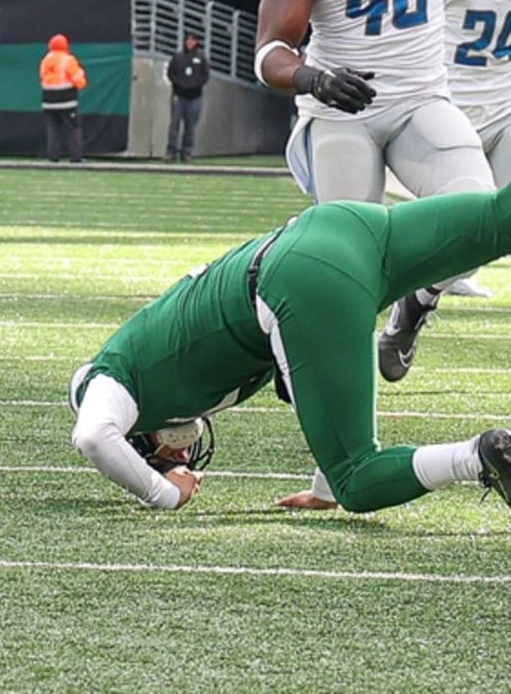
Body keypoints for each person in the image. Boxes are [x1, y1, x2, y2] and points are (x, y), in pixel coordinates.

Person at [251, 0, 511, 383]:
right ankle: (293, 344)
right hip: (343, 113)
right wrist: (312, 77)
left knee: (478, 221)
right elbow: (270, 51)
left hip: (423, 98)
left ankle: (411, 308)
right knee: (344, 269)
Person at [68, 184, 511, 514]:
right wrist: (321, 490)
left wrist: (163, 494)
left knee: (355, 483)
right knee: (498, 218)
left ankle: (479, 456)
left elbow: (92, 435)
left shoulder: (115, 378)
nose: (184, 454)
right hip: (342, 228)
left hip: (301, 281)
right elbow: (319, 390)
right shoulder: (165, 356)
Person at [437, 0, 511, 298]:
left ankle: (446, 275)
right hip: (448, 99)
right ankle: (432, 281)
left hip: (503, 101)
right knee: (457, 208)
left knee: (501, 212)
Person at [39, 33, 86, 163]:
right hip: (67, 101)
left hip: (48, 101)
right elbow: (80, 82)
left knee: (53, 129)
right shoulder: (68, 60)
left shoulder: (45, 60)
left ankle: (53, 158)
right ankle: (75, 158)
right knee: (73, 128)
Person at [166, 31, 209, 161]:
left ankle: (187, 152)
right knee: (174, 124)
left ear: (197, 42)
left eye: (193, 40)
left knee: (190, 127)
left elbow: (205, 75)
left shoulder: (201, 58)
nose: (190, 43)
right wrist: (179, 85)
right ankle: (171, 151)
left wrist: (195, 86)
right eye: (188, 40)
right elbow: (171, 73)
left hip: (195, 97)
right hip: (179, 96)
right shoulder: (178, 57)